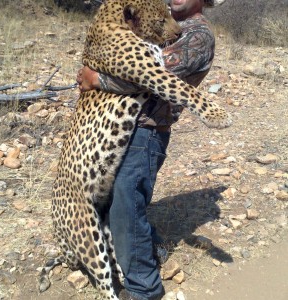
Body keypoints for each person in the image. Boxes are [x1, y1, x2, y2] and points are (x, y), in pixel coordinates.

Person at [77, 1, 216, 299]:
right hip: (121, 124)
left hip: (147, 130)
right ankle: (152, 248)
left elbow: (145, 72)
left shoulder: (198, 35)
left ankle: (143, 289)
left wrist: (95, 78)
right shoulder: (155, 20)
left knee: (125, 206)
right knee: (120, 201)